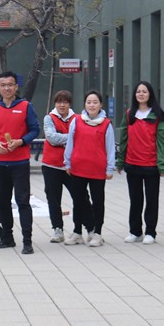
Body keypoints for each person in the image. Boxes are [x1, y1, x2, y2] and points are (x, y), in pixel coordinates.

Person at [0, 71, 40, 254]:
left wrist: (21, 141)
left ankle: (27, 241)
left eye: (10, 84)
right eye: (3, 85)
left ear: (16, 87)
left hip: (20, 162)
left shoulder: (25, 106)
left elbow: (35, 130)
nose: (6, 88)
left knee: (23, 201)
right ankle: (7, 237)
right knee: (2, 201)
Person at [117, 81, 164, 244]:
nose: (141, 94)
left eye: (144, 91)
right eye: (138, 91)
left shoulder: (157, 115)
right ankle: (135, 231)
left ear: (150, 94)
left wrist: (162, 164)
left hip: (151, 165)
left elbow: (163, 141)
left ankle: (150, 232)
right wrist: (120, 162)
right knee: (135, 200)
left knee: (151, 200)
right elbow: (123, 139)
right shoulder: (129, 114)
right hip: (132, 164)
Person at [64, 90, 114, 247]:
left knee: (98, 203)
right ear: (85, 104)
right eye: (89, 102)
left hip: (98, 170)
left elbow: (110, 148)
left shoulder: (106, 124)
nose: (92, 105)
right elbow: (70, 143)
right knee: (78, 202)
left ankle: (97, 234)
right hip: (78, 168)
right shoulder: (77, 121)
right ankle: (77, 232)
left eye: (95, 102)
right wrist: (67, 162)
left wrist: (110, 168)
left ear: (101, 105)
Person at [41, 90, 74, 243]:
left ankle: (87, 227)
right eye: (59, 102)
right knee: (53, 199)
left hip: (71, 166)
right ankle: (57, 229)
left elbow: (81, 136)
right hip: (51, 165)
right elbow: (52, 138)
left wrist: (64, 139)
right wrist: (72, 138)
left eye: (65, 102)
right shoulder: (49, 118)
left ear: (70, 104)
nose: (62, 105)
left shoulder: (77, 119)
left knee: (81, 197)